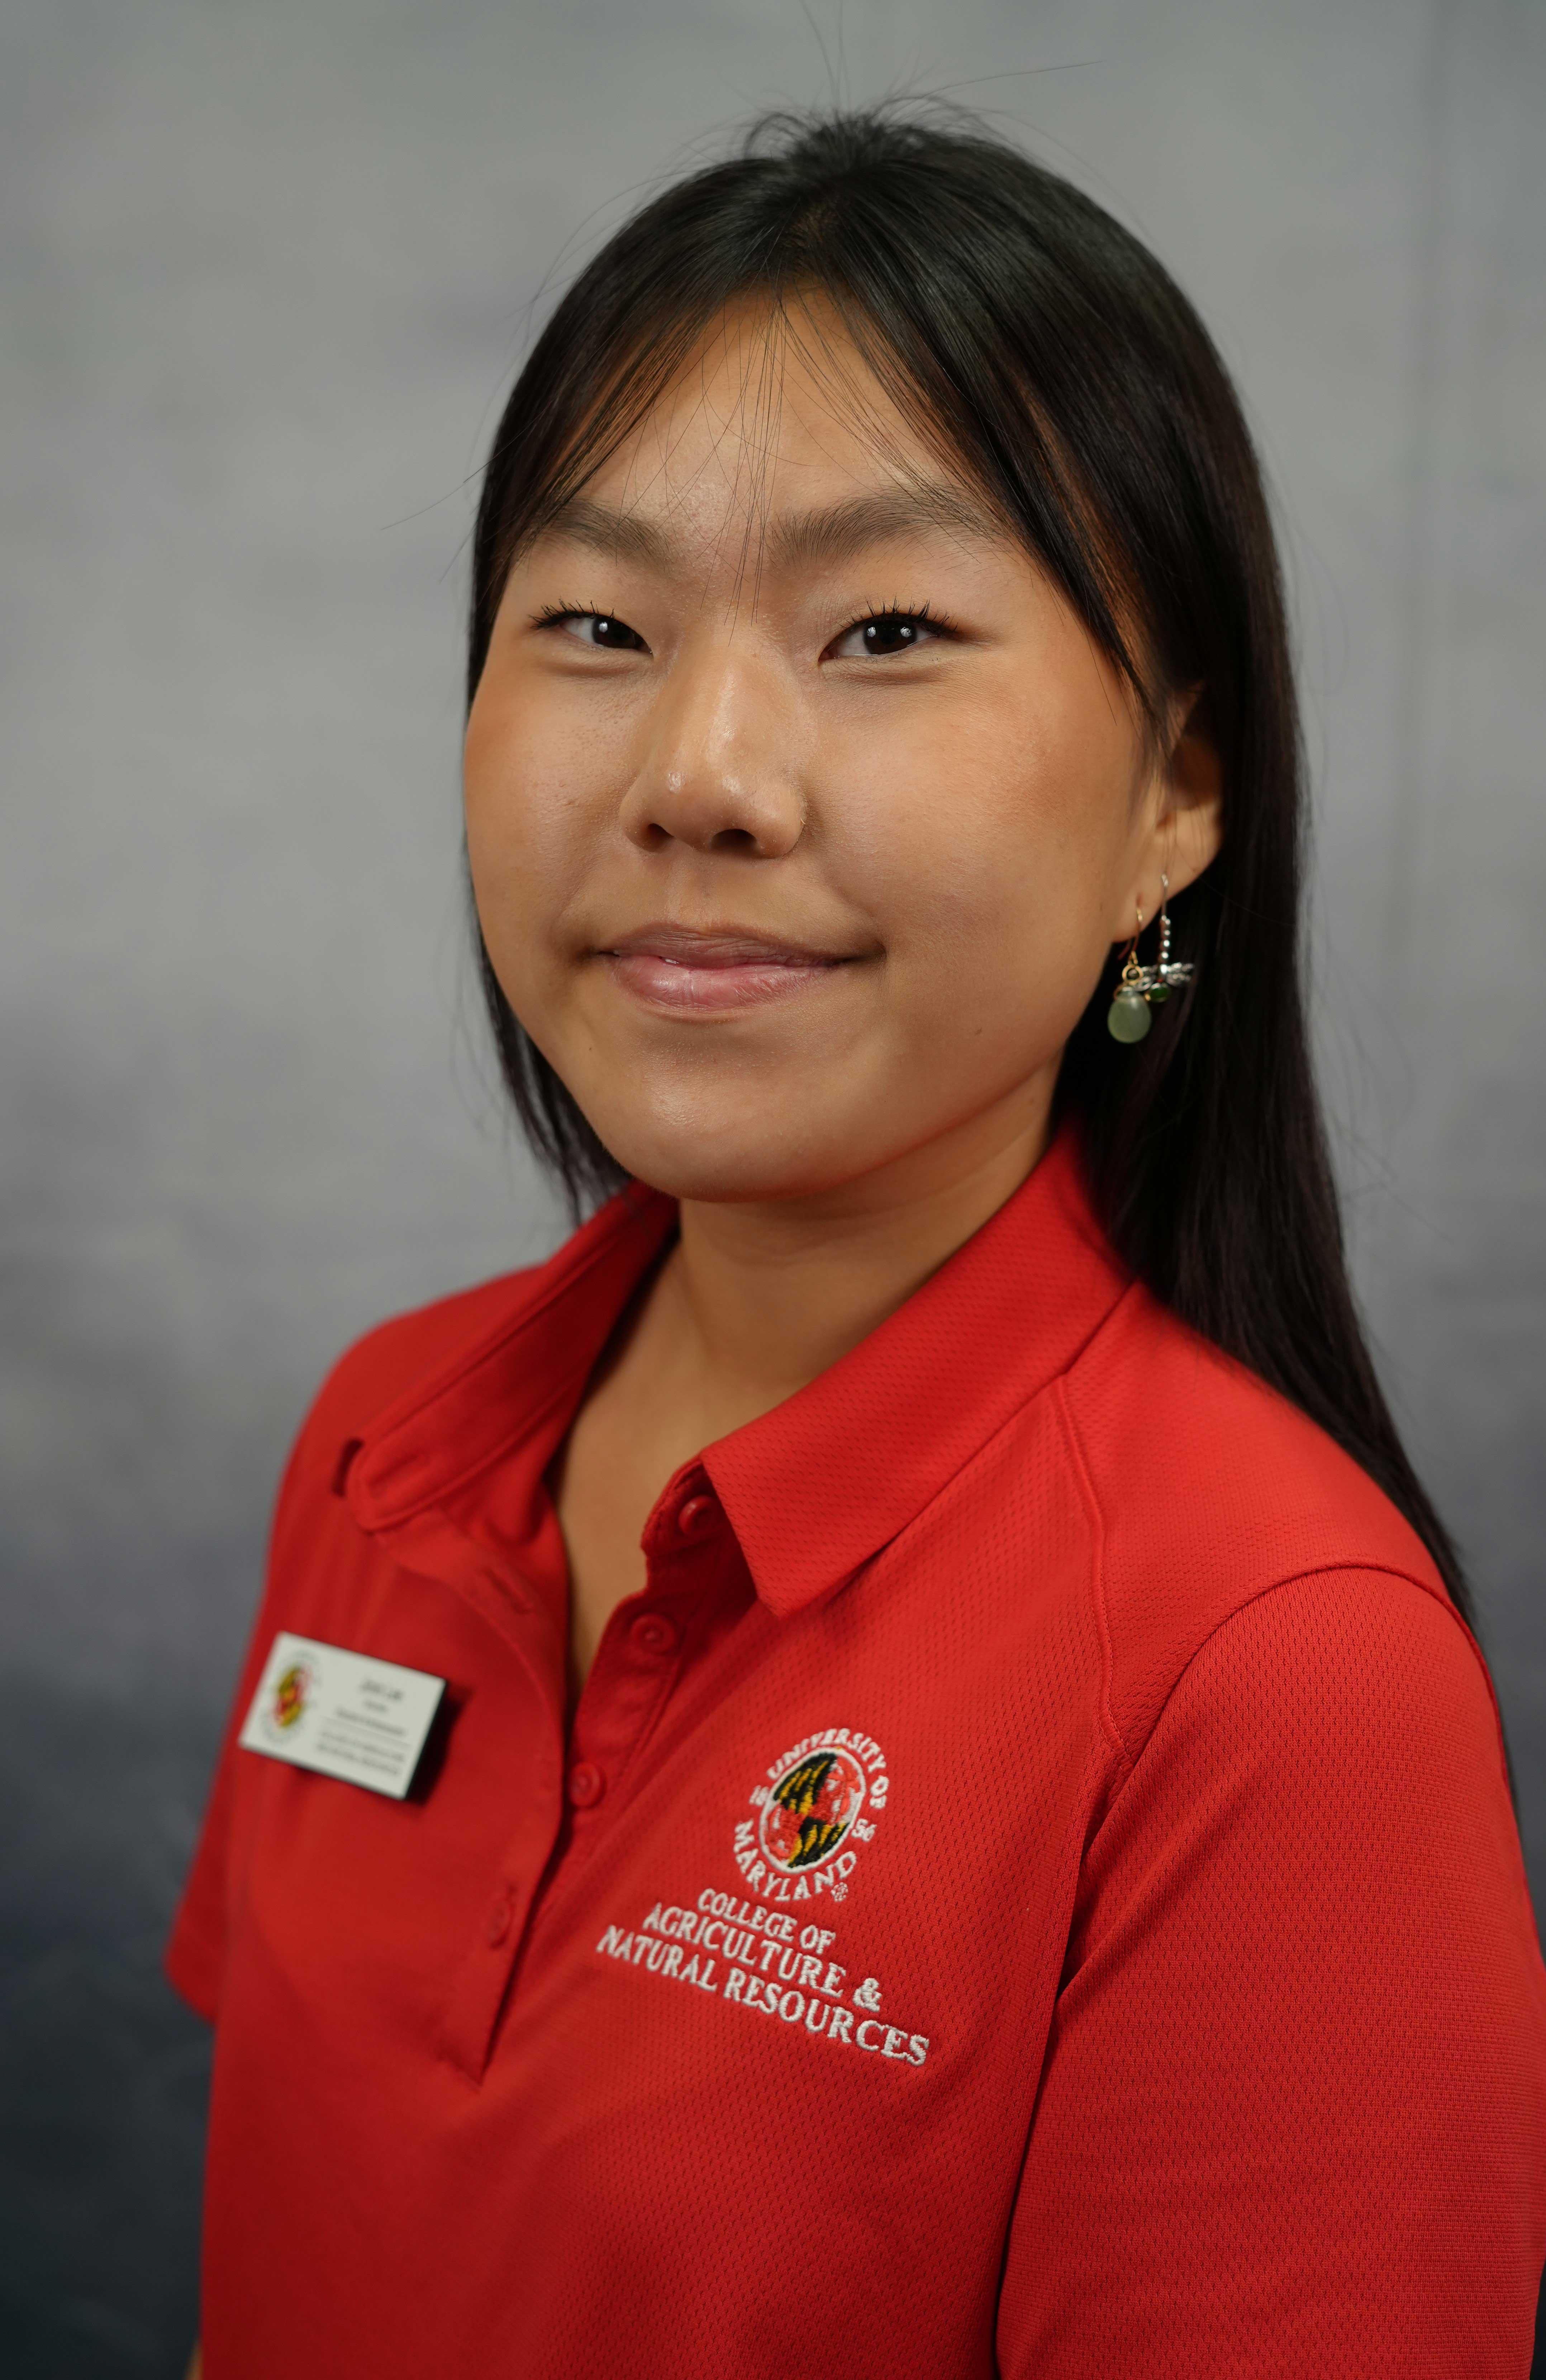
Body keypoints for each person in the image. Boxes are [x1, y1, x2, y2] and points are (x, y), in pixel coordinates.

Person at [168, 106, 1546, 2378]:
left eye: (886, 628)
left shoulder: (1279, 1679)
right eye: (594, 622)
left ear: (1177, 797)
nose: (700, 773)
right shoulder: (384, 1435)